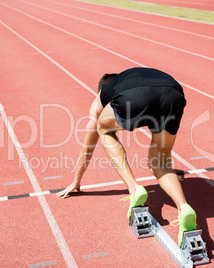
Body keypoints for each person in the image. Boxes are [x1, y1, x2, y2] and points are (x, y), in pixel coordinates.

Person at [56, 67, 196, 247]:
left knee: (103, 128)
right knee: (159, 163)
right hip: (172, 92)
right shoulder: (124, 79)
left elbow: (88, 141)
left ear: (102, 90)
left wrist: (76, 180)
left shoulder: (103, 94)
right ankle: (184, 207)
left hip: (133, 95)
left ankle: (134, 188)